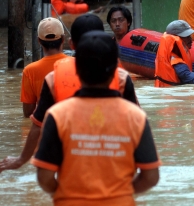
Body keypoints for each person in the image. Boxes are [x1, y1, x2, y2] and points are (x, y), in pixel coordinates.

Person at [32, 31, 160, 204]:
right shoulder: (135, 116)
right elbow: (150, 177)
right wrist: (119, 193)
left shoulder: (57, 115)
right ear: (116, 68)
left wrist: (67, 193)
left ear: (76, 68)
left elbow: (44, 177)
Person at [0, 14, 139, 173]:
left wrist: (21, 160)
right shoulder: (121, 75)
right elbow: (138, 123)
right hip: (113, 161)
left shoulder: (54, 77)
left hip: (72, 163)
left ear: (71, 43)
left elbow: (36, 123)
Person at [20, 18, 68, 117]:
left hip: (46, 124)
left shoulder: (30, 70)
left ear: (39, 41)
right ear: (63, 39)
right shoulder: (77, 64)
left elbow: (28, 112)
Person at [154, 20, 194, 87]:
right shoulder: (177, 62)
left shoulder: (171, 54)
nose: (190, 39)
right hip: (172, 96)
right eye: (186, 36)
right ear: (176, 38)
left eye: (189, 36)